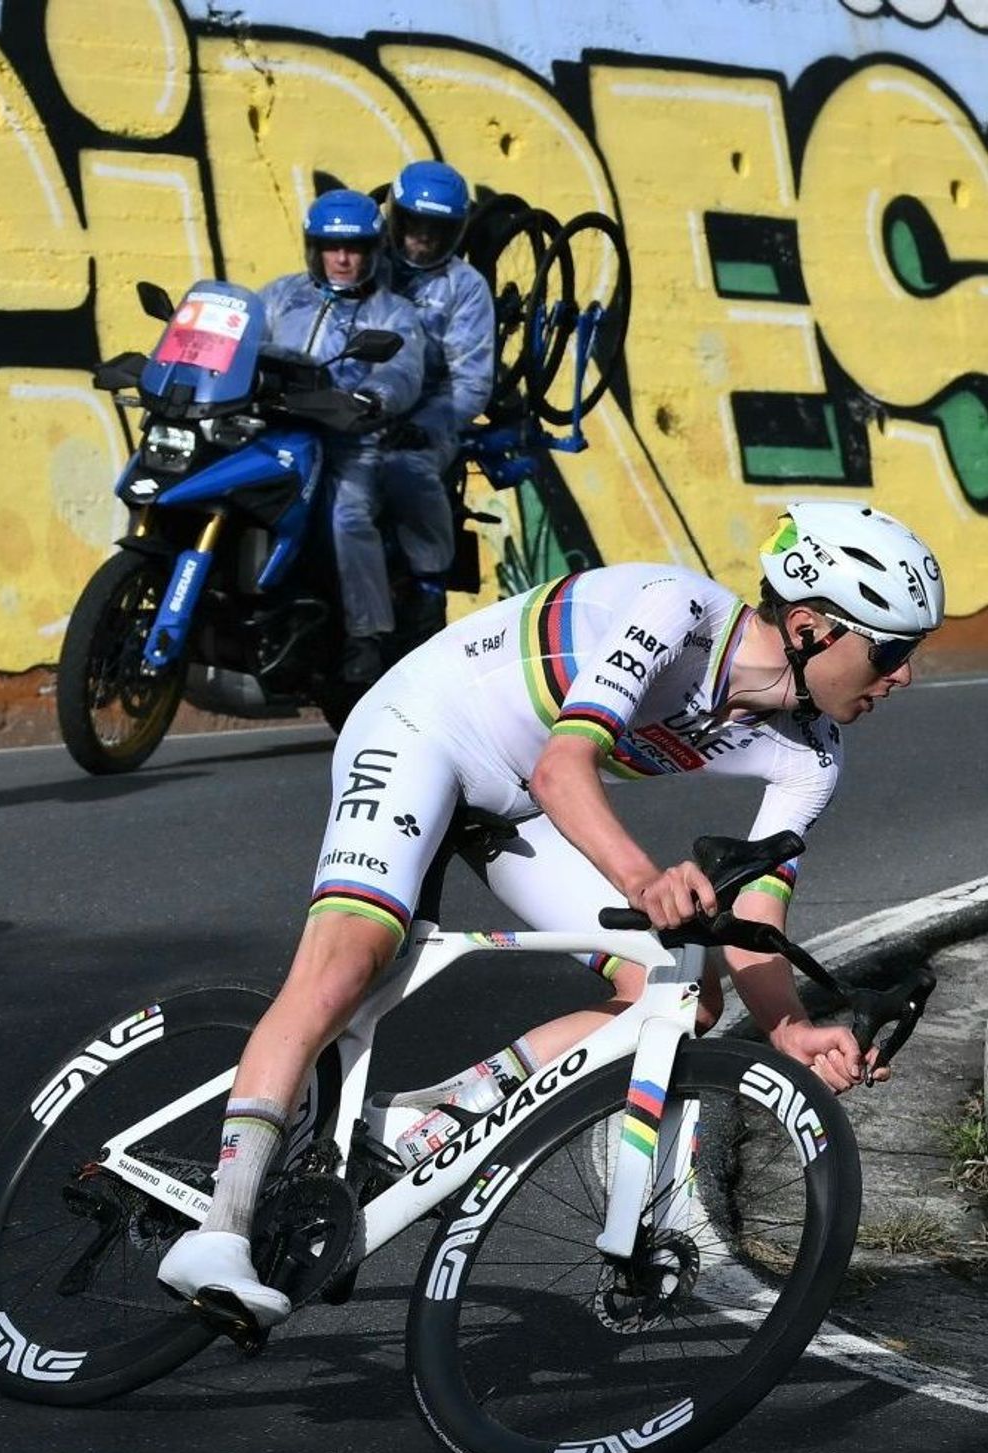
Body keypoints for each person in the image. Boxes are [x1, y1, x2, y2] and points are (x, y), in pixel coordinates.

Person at [157, 501, 945, 1325]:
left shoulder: (813, 754)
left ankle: (423, 1122)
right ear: (815, 627)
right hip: (428, 729)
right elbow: (566, 769)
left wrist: (788, 1028)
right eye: (890, 651)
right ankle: (221, 1226)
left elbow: (757, 907)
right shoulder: (678, 616)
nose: (903, 676)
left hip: (518, 802)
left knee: (680, 996)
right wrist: (644, 880)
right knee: (348, 963)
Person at [260, 190, 425, 686]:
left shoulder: (392, 313)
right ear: (315, 248)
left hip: (347, 439)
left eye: (353, 247)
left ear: (373, 251)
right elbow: (241, 336)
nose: (343, 258)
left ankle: (365, 635)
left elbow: (403, 370)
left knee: (346, 516)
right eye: (332, 247)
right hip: (274, 428)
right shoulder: (280, 295)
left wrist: (372, 399)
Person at [380, 161, 496, 649]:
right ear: (395, 220)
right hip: (348, 409)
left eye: (436, 231)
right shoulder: (368, 261)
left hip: (423, 421)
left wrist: (425, 426)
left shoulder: (465, 287)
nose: (421, 240)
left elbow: (471, 381)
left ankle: (425, 600)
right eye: (413, 226)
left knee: (407, 473)